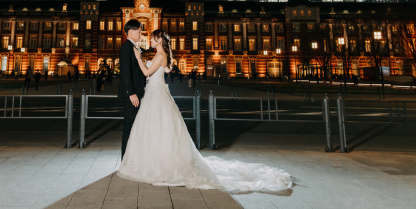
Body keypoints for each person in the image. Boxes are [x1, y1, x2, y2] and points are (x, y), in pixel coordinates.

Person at [118, 29, 292, 192]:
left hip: (156, 93)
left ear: (159, 40)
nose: (149, 39)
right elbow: (162, 70)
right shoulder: (160, 54)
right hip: (155, 92)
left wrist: (138, 57)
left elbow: (147, 72)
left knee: (158, 126)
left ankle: (158, 160)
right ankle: (153, 157)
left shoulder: (160, 55)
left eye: (152, 37)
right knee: (157, 126)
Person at [118, 19, 146, 158]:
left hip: (137, 92)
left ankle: (131, 156)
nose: (141, 33)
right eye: (139, 30)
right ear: (131, 31)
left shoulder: (132, 46)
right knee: (129, 126)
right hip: (132, 95)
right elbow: (125, 72)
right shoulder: (126, 47)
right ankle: (125, 159)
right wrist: (131, 93)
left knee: (134, 126)